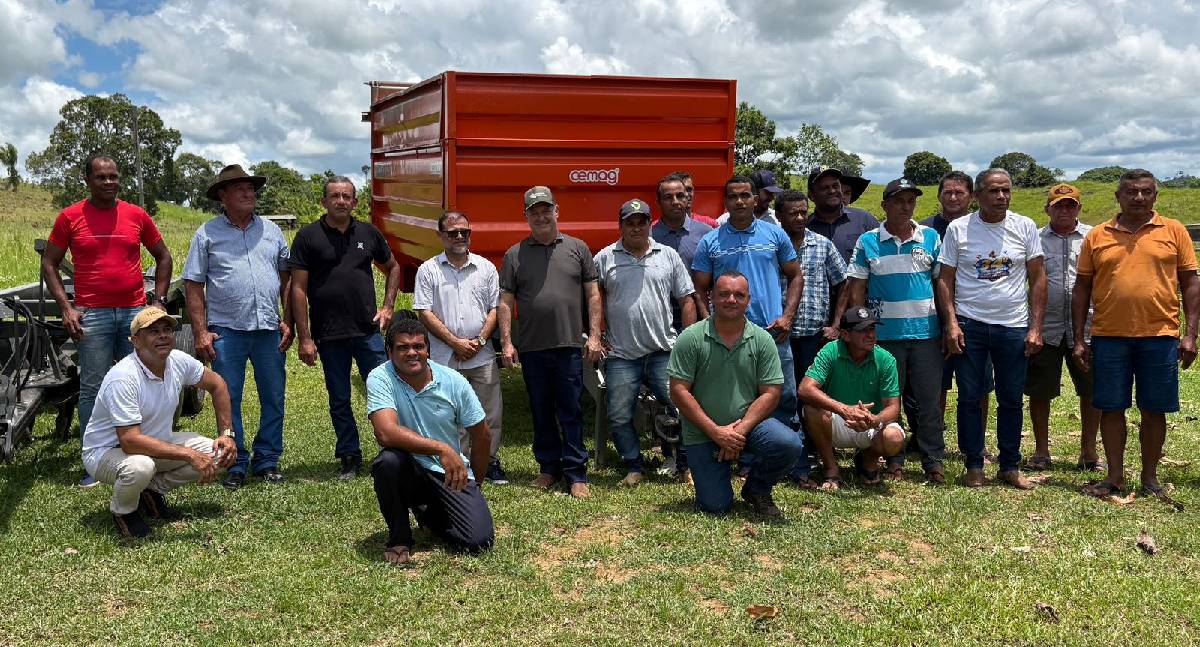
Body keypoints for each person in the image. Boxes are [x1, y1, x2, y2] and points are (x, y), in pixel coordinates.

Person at [42, 154, 172, 488]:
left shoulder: (136, 215)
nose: (109, 182)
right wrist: (66, 308)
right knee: (94, 387)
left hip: (133, 312)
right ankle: (95, 461)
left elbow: (163, 256)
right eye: (101, 177)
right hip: (93, 313)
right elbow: (50, 263)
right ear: (88, 180)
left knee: (143, 380)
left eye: (114, 176)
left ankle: (146, 454)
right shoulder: (70, 217)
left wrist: (157, 301)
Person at [1072, 169, 1199, 498]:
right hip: (1109, 336)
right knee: (1111, 407)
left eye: (1145, 192)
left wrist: (1190, 335)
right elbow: (1081, 288)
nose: (1138, 197)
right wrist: (1079, 339)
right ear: (1118, 197)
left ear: (1155, 196)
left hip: (1160, 336)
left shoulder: (1174, 231)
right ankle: (1114, 476)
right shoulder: (1098, 235)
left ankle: (1150, 477)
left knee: (1154, 408)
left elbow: (1190, 284)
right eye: (1131, 192)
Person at [183, 164, 293, 489]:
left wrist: (289, 319)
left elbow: (287, 278)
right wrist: (201, 332)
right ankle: (235, 462)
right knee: (228, 397)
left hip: (269, 328)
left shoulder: (272, 231)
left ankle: (267, 460)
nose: (249, 193)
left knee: (273, 396)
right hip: (226, 331)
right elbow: (193, 285)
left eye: (251, 188)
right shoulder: (207, 233)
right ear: (223, 196)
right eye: (240, 189)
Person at [81, 307, 235, 538]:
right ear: (135, 341)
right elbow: (130, 442)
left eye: (167, 330)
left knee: (218, 453)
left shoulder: (178, 360)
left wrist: (226, 434)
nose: (163, 335)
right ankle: (124, 512)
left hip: (152, 442)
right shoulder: (123, 377)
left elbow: (218, 385)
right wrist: (188, 454)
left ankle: (152, 490)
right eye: (153, 331)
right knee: (140, 467)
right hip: (106, 453)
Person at [938, 168, 1047, 489]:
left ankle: (1010, 466)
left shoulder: (1024, 226)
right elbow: (945, 279)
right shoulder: (959, 229)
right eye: (994, 191)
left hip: (1013, 326)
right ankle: (973, 464)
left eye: (1006, 190)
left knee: (1011, 398)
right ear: (977, 196)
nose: (1001, 197)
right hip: (970, 325)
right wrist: (952, 323)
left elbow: (1038, 278)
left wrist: (1035, 327)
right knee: (970, 397)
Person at [291, 176, 401, 480]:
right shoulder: (308, 236)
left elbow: (393, 267)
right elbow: (298, 289)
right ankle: (350, 456)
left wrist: (388, 307)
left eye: (347, 196)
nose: (341, 201)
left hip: (367, 331)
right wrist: (305, 337)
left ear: (355, 202)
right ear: (324, 201)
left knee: (383, 393)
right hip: (329, 334)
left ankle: (391, 449)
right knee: (339, 398)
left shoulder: (368, 233)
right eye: (335, 196)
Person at [667, 271, 804, 516]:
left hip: (748, 428)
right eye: (724, 294)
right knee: (716, 506)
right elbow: (678, 391)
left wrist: (737, 432)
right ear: (711, 298)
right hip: (703, 432)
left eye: (739, 295)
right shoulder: (690, 338)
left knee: (788, 444)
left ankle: (757, 489)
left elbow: (771, 392)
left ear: (748, 300)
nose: (731, 299)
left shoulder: (763, 339)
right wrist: (717, 433)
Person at [498, 186, 604, 498]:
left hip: (569, 345)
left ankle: (575, 473)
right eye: (534, 211)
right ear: (526, 216)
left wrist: (595, 335)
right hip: (532, 347)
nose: (541, 216)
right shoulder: (515, 254)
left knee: (570, 409)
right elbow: (505, 302)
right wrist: (506, 342)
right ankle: (548, 468)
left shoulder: (577, 248)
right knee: (541, 409)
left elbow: (593, 294)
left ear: (557, 211)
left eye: (546, 210)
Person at [366, 315, 495, 566]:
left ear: (428, 350)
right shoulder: (380, 377)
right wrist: (441, 448)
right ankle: (400, 539)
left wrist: (474, 484)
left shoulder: (453, 381)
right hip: (408, 469)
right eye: (403, 347)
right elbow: (385, 432)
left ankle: (430, 514)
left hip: (447, 473)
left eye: (418, 347)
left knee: (479, 542)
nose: (412, 353)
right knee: (387, 462)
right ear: (389, 352)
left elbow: (482, 435)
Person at [846, 178, 946, 484]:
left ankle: (933, 460)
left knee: (929, 401)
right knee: (891, 400)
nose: (905, 207)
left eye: (910, 201)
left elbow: (941, 284)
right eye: (899, 201)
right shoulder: (868, 241)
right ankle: (894, 458)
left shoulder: (930, 237)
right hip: (885, 336)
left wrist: (948, 323)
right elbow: (857, 288)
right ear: (885, 205)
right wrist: (864, 329)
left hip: (926, 334)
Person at [595, 199, 696, 486]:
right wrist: (596, 333)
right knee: (618, 414)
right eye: (630, 222)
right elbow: (591, 298)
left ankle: (686, 465)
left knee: (684, 408)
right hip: (622, 355)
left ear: (649, 224)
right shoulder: (605, 258)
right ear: (621, 226)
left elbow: (686, 299)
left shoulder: (668, 255)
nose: (636, 227)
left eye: (642, 222)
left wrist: (688, 339)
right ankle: (634, 466)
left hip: (663, 350)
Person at [693, 176, 803, 434]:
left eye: (745, 195)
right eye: (733, 196)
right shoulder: (711, 241)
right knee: (738, 397)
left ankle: (791, 460)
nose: (739, 201)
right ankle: (745, 456)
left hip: (774, 331)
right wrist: (709, 322)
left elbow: (796, 275)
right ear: (726, 202)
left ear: (756, 199)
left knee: (783, 395)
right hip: (730, 335)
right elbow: (699, 287)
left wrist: (788, 316)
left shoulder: (775, 234)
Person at [413, 211, 507, 484]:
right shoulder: (428, 270)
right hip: (445, 356)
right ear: (440, 235)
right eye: (452, 232)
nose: (459, 237)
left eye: (464, 232)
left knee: (490, 413)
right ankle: (458, 464)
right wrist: (455, 343)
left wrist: (478, 342)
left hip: (482, 355)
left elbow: (495, 308)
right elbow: (424, 312)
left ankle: (489, 462)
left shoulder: (485, 268)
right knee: (449, 413)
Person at [1024, 183, 1101, 472]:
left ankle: (1089, 451)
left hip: (1089, 326)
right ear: (1048, 209)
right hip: (1046, 326)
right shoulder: (1036, 239)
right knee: (1040, 390)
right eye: (1059, 205)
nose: (1065, 210)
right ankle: (1041, 451)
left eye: (1070, 205)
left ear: (1079, 208)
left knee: (1090, 390)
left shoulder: (1094, 237)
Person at [919, 171, 992, 436]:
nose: (952, 197)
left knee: (978, 384)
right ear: (939, 195)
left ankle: (977, 440)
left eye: (959, 192)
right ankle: (932, 437)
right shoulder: (924, 230)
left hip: (974, 316)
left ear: (971, 197)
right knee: (935, 383)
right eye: (947, 192)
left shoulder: (982, 226)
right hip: (933, 317)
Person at [798, 309, 905, 489]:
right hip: (837, 420)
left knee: (894, 438)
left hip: (869, 422)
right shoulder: (830, 351)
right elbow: (805, 389)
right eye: (863, 330)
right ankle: (831, 469)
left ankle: (868, 460)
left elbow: (893, 408)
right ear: (846, 335)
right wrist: (845, 409)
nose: (870, 334)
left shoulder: (886, 359)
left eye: (872, 329)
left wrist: (875, 419)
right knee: (811, 410)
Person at [650, 174, 711, 477]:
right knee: (666, 390)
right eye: (668, 197)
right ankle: (669, 454)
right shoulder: (648, 235)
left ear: (688, 198)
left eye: (680, 196)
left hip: (698, 318)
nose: (675, 201)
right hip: (660, 321)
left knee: (697, 386)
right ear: (659, 201)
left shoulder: (706, 233)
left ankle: (698, 451)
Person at [805, 167, 879, 263]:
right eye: (824, 188)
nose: (832, 191)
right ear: (811, 195)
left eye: (836, 186)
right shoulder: (804, 227)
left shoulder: (864, 220)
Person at [715, 169, 781, 226]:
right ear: (754, 192)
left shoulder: (776, 220)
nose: (772, 197)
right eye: (768, 192)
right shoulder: (724, 221)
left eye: (773, 193)